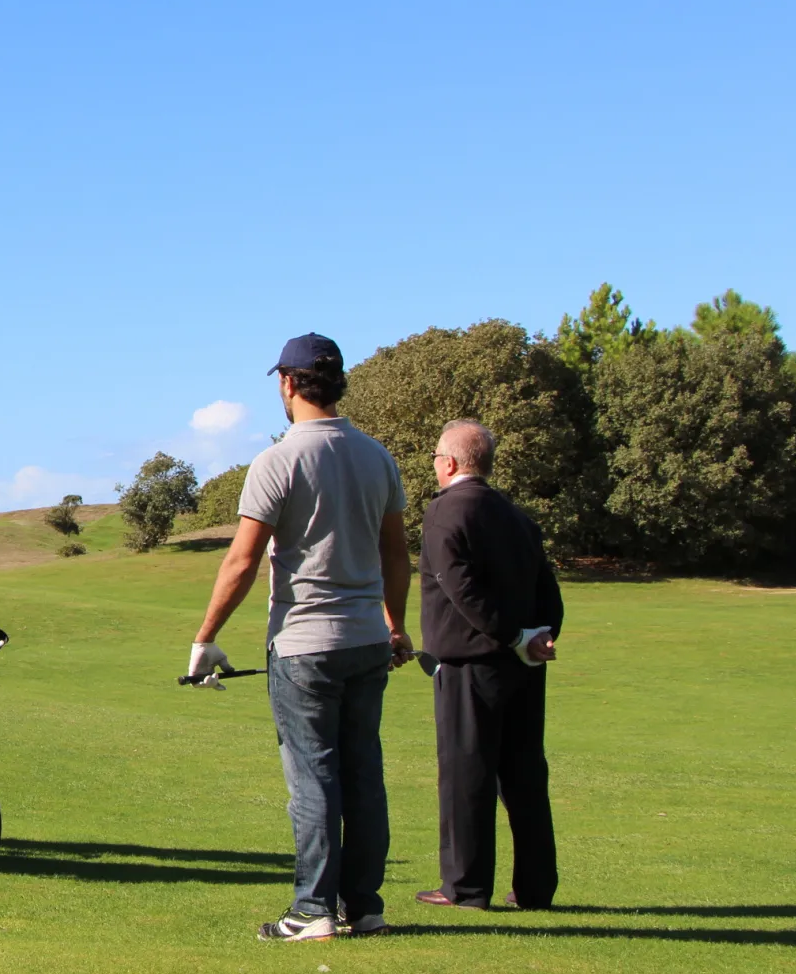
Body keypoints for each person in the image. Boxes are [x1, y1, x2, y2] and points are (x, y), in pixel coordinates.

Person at [188, 333, 412, 942]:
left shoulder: (278, 459)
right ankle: (364, 908)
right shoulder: (377, 456)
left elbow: (241, 560)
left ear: (287, 384)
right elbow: (398, 554)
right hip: (367, 639)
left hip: (303, 643)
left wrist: (205, 636)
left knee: (314, 779)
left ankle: (313, 910)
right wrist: (396, 624)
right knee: (364, 774)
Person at [414, 419, 564, 911]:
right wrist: (540, 635)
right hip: (523, 664)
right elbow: (547, 587)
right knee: (524, 776)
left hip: (469, 663)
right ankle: (535, 888)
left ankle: (465, 886)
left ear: (450, 462)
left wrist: (510, 634)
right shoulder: (519, 517)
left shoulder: (444, 513)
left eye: (437, 456)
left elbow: (459, 588)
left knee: (465, 774)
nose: (435, 464)